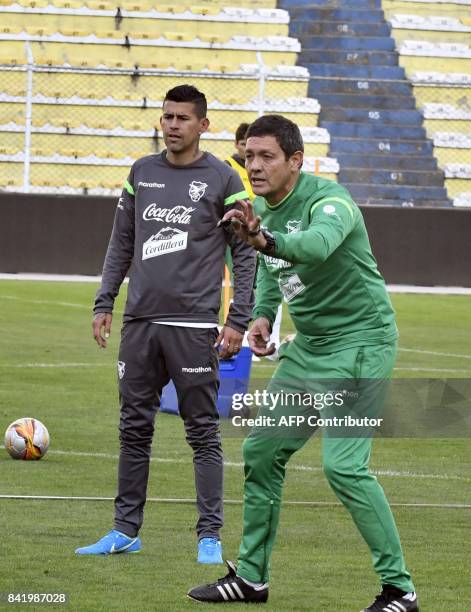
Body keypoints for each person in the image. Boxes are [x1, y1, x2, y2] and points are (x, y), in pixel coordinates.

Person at [187, 115, 419, 611]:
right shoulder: (263, 213)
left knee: (344, 467)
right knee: (261, 451)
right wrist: (264, 317)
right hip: (309, 348)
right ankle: (251, 578)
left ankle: (400, 590)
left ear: (296, 160)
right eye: (249, 155)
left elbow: (312, 248)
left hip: (360, 344)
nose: (254, 165)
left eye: (267, 156)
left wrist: (263, 241)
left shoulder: (329, 201)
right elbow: (274, 275)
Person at [75, 85, 256, 563]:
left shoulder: (222, 179)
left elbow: (244, 254)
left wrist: (236, 320)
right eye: (167, 116)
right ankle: (125, 530)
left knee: (202, 431)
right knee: (134, 428)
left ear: (203, 125)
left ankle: (210, 537)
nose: (172, 125)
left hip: (194, 327)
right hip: (140, 324)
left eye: (182, 118)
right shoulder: (142, 172)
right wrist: (104, 302)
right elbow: (121, 243)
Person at [225, 122, 254, 201]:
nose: (247, 149)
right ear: (236, 144)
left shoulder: (259, 166)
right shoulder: (227, 166)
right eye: (243, 144)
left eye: (250, 144)